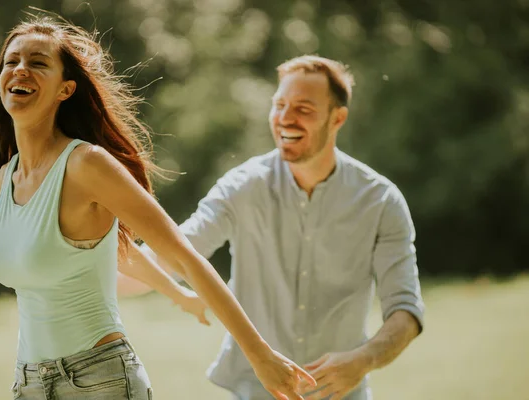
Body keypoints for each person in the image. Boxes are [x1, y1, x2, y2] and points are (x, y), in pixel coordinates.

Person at [0, 14, 316, 400]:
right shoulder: (6, 179)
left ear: (65, 89)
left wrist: (260, 354)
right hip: (29, 383)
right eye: (12, 61)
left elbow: (185, 256)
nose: (20, 69)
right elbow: (100, 251)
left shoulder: (87, 165)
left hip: (99, 380)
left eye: (38, 62)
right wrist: (177, 295)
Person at [123, 55, 425, 400]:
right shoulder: (242, 186)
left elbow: (406, 309)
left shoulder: (381, 201)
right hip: (254, 390)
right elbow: (176, 253)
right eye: (279, 105)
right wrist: (96, 273)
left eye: (304, 109)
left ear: (337, 118)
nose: (285, 118)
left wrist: (362, 360)